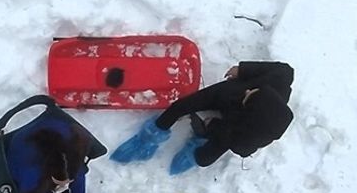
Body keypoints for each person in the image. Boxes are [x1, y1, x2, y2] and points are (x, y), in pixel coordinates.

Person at [110, 61, 295, 175]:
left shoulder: (243, 137)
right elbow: (286, 69)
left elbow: (222, 140)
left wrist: (212, 125)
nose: (248, 91)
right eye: (253, 91)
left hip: (232, 119)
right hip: (225, 94)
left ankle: (193, 149)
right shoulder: (277, 82)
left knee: (206, 152)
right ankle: (148, 139)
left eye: (250, 96)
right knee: (180, 106)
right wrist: (244, 70)